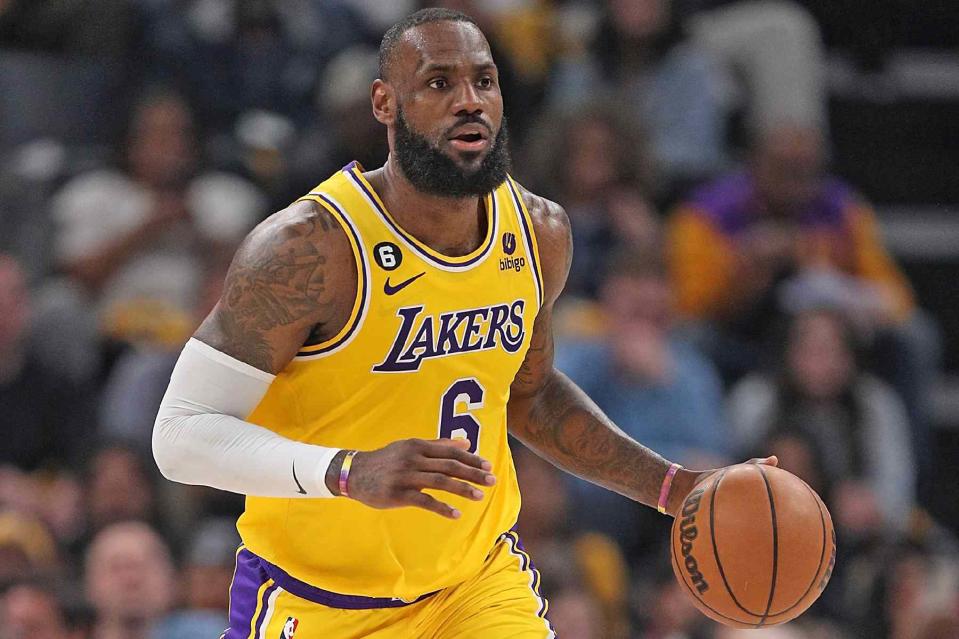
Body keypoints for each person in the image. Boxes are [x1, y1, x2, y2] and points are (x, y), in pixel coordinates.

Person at [152, 8, 773, 637]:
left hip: (474, 589)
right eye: (438, 83)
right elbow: (179, 435)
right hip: (318, 603)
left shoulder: (537, 231)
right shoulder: (308, 248)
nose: (469, 101)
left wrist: (671, 488)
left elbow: (527, 394)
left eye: (484, 81)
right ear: (384, 104)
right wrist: (345, 471)